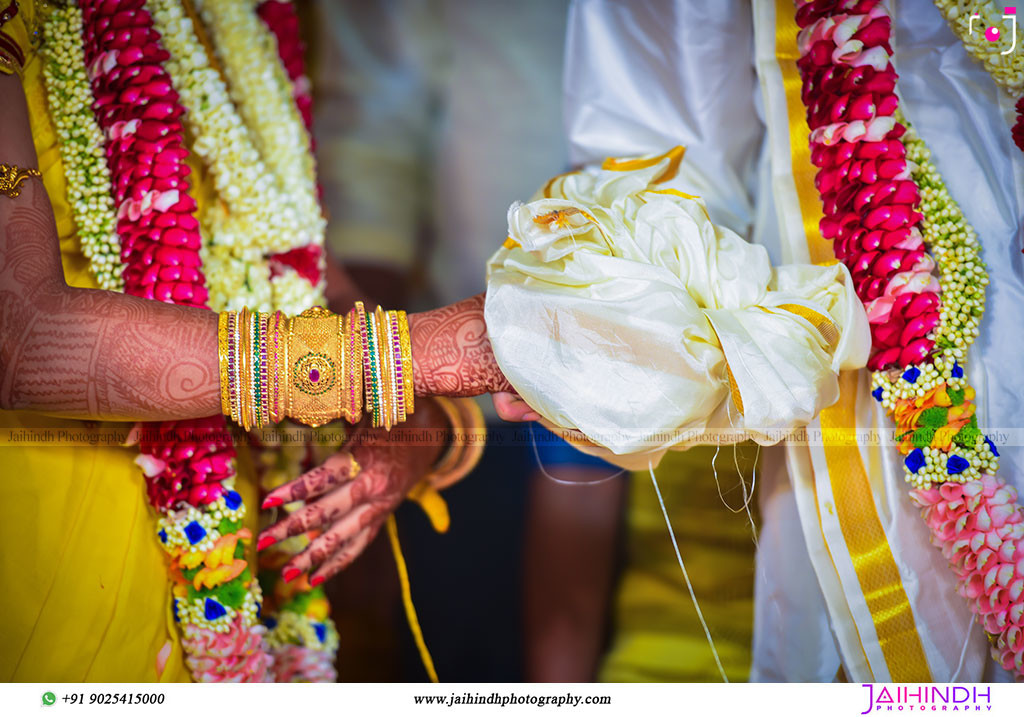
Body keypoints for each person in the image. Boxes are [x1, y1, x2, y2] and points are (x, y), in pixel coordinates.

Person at [0, 0, 512, 682]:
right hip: (57, 546)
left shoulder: (231, 15)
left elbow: (296, 260)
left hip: (246, 528)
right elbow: (19, 333)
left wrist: (416, 415)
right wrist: (398, 357)